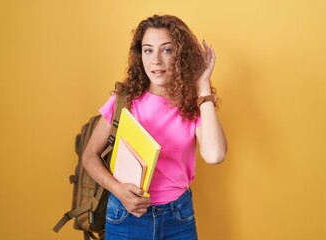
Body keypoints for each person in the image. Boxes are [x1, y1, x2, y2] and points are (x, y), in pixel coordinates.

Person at [82, 14, 227, 240]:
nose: (156, 60)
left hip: (178, 218)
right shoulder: (125, 100)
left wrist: (203, 84)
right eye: (148, 50)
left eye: (166, 50)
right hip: (126, 216)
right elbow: (89, 156)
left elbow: (215, 154)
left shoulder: (193, 104)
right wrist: (117, 189)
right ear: (140, 55)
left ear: (181, 55)